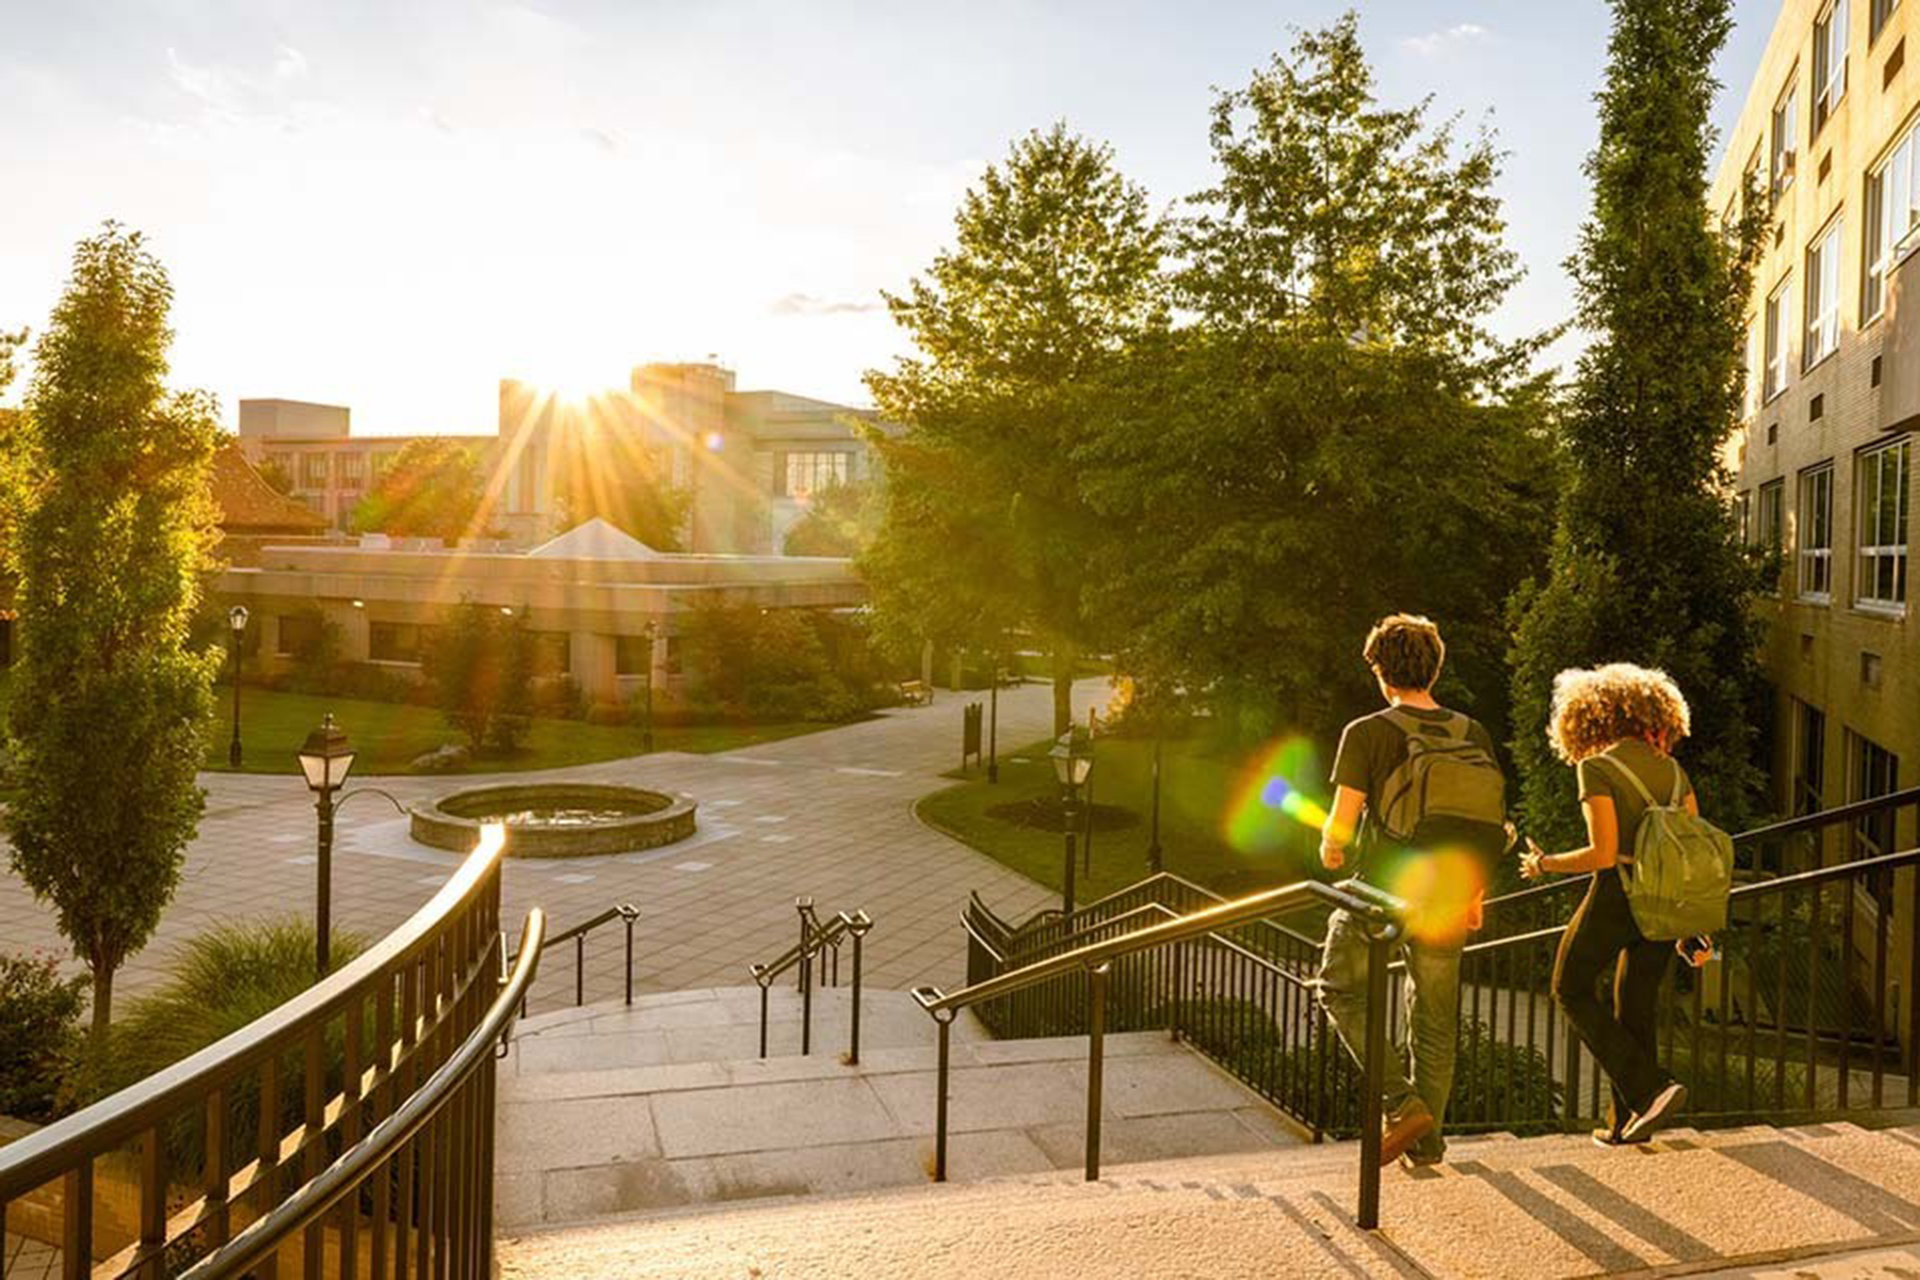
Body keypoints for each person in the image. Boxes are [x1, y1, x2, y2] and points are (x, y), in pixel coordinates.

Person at [1317, 614, 1508, 1169]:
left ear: (1380, 671)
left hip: (1382, 892)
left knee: (1337, 988)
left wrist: (1330, 852)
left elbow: (1341, 827)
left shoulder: (1367, 731)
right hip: (1450, 893)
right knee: (1434, 1020)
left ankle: (1401, 1104)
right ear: (1435, 667)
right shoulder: (1473, 732)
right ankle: (1426, 1143)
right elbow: (1482, 820)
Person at [1521, 663, 1697, 1146]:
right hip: (1664, 899)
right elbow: (1690, 845)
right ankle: (1627, 1122)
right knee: (1634, 1005)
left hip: (1619, 892)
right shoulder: (1674, 771)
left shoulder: (1595, 767)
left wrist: (1546, 864)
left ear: (1592, 719)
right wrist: (1690, 924)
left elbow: (1602, 852)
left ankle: (1650, 1087)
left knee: (1569, 987)